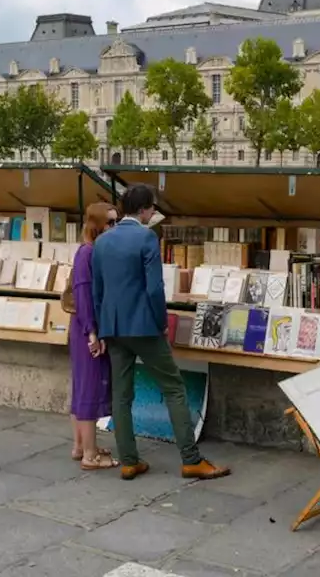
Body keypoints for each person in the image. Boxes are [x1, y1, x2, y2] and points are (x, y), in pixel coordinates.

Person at [92, 184, 229, 481]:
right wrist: (160, 321)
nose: (154, 212)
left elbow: (97, 291)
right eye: (152, 207)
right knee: (174, 388)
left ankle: (129, 461)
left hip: (113, 328)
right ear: (143, 209)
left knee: (122, 395)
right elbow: (155, 288)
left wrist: (102, 329)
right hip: (144, 325)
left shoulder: (102, 242)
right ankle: (191, 459)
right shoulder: (146, 238)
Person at [69, 202, 118, 470]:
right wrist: (93, 332)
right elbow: (84, 293)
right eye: (110, 222)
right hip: (88, 329)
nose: (114, 227)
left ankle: (81, 446)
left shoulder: (88, 251)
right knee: (89, 388)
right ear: (97, 225)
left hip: (85, 328)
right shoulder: (88, 253)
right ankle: (90, 454)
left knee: (81, 388)